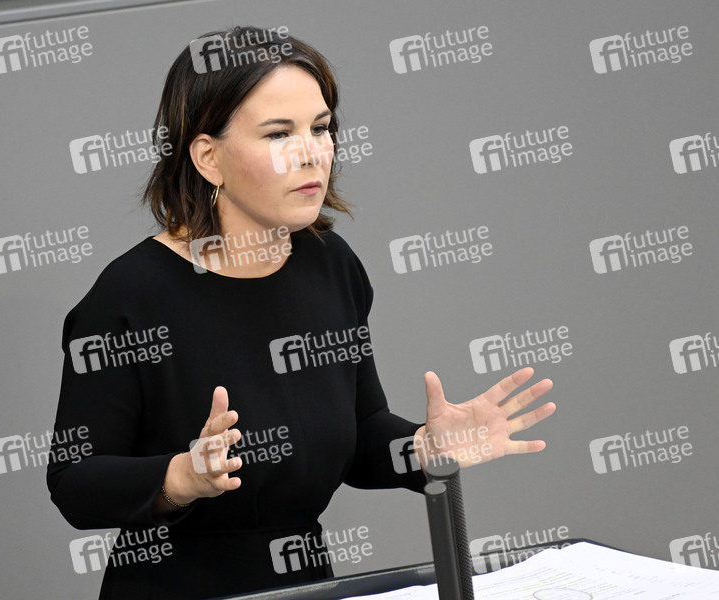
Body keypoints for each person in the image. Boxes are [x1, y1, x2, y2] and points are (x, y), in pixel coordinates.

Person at [47, 26, 555, 600]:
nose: (312, 152)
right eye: (278, 133)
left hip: (306, 583)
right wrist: (183, 476)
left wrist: (422, 448)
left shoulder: (330, 264)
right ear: (208, 157)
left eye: (321, 127)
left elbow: (359, 433)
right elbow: (74, 482)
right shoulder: (129, 295)